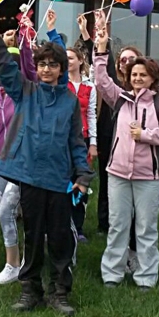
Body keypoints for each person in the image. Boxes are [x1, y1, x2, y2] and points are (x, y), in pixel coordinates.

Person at [0, 7, 93, 316]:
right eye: (42, 64)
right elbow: (6, 68)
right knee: (33, 236)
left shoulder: (70, 101)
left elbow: (76, 141)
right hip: (30, 176)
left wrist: (82, 176)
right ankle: (30, 291)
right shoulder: (26, 91)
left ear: (61, 70)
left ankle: (59, 292)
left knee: (59, 237)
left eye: (53, 65)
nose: (46, 69)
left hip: (59, 179)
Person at [93, 23, 159, 289]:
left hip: (149, 176)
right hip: (118, 174)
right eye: (134, 74)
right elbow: (101, 80)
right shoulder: (120, 98)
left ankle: (146, 277)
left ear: (152, 78)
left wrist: (146, 135)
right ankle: (112, 274)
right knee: (118, 226)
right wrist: (101, 49)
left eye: (143, 75)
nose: (137, 78)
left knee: (145, 228)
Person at [77, 14, 142, 236]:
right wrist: (91, 35)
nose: (126, 62)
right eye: (123, 59)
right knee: (107, 182)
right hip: (108, 136)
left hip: (134, 142)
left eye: (131, 59)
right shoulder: (113, 84)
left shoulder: (143, 87)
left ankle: (132, 224)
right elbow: (102, 69)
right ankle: (104, 223)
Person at [0, 28, 36, 285]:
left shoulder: (25, 95)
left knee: (10, 210)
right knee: (6, 213)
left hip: (22, 163)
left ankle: (19, 263)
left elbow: (28, 68)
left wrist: (24, 40)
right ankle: (15, 263)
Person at [66, 45, 98, 243]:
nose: (67, 61)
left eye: (71, 58)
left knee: (81, 180)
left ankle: (77, 226)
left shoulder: (90, 86)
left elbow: (92, 114)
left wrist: (93, 143)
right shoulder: (61, 83)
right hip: (63, 138)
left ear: (80, 60)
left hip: (83, 139)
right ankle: (60, 222)